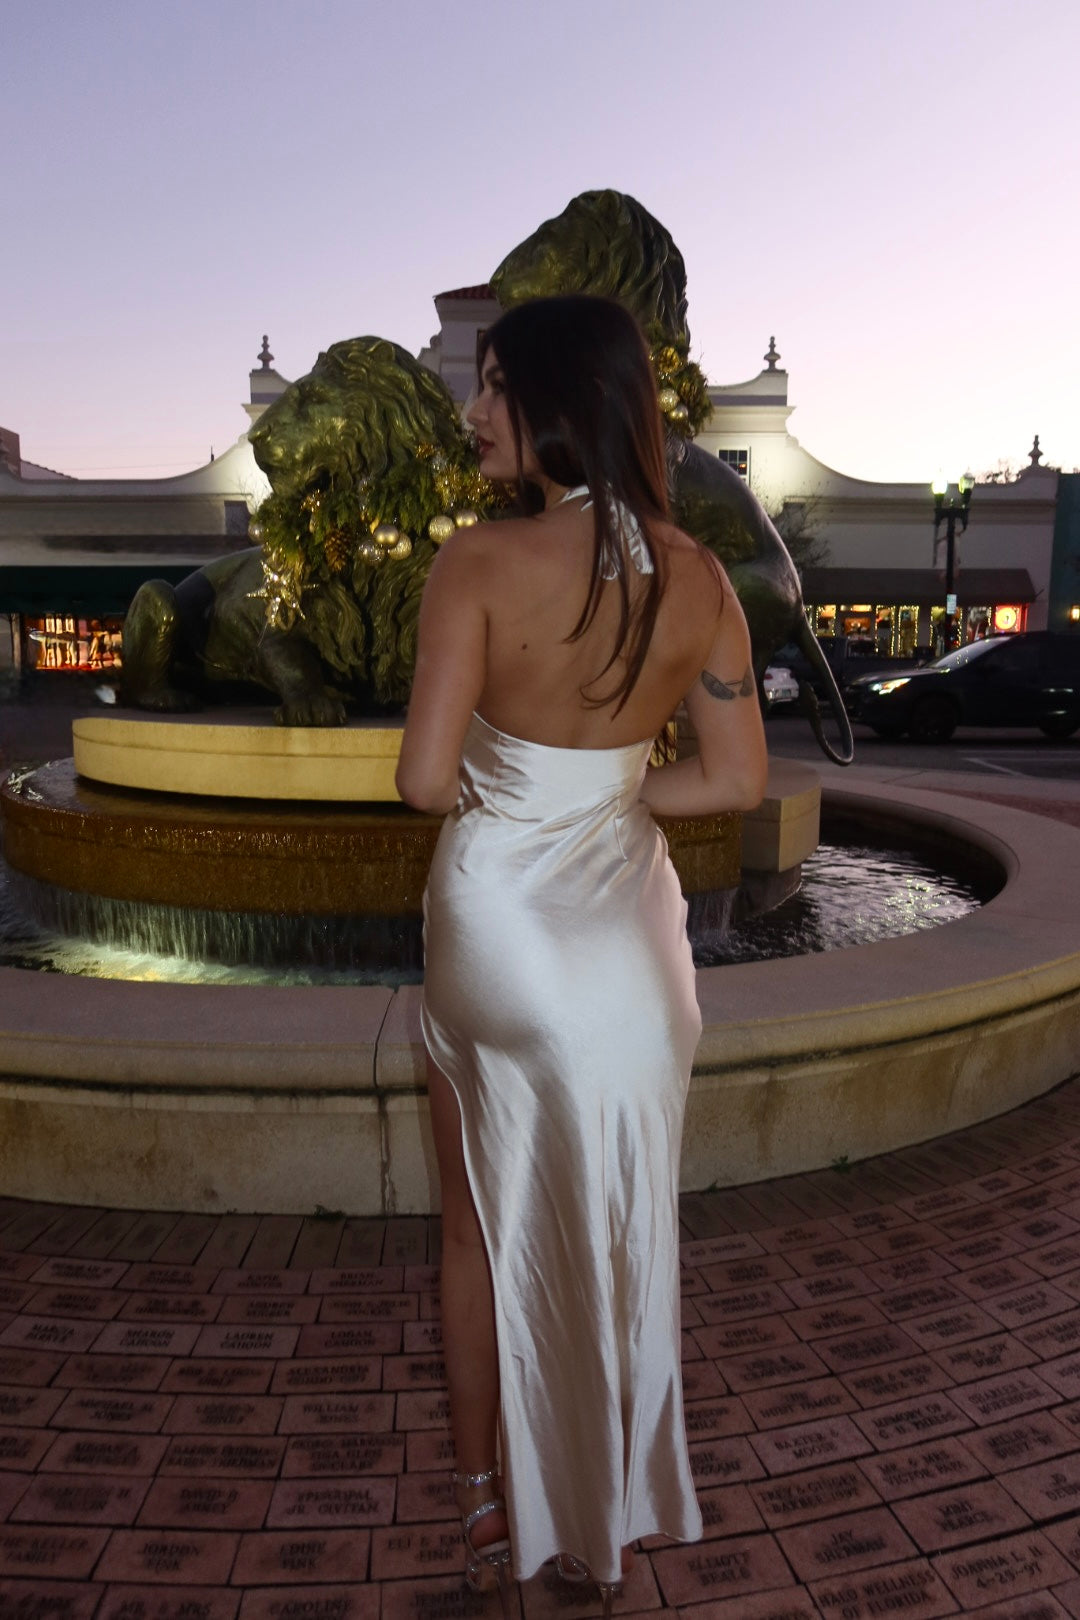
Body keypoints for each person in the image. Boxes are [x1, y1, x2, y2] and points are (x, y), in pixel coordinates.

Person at [396, 295, 768, 1612]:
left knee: (475, 1235)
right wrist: (609, 797)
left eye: (492, 385)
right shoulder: (704, 581)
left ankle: (488, 1513)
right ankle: (598, 1512)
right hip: (629, 960)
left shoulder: (476, 566)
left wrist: (539, 797)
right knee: (614, 1229)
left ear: (552, 399)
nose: (475, 411)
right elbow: (733, 781)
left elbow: (426, 780)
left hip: (501, 929)